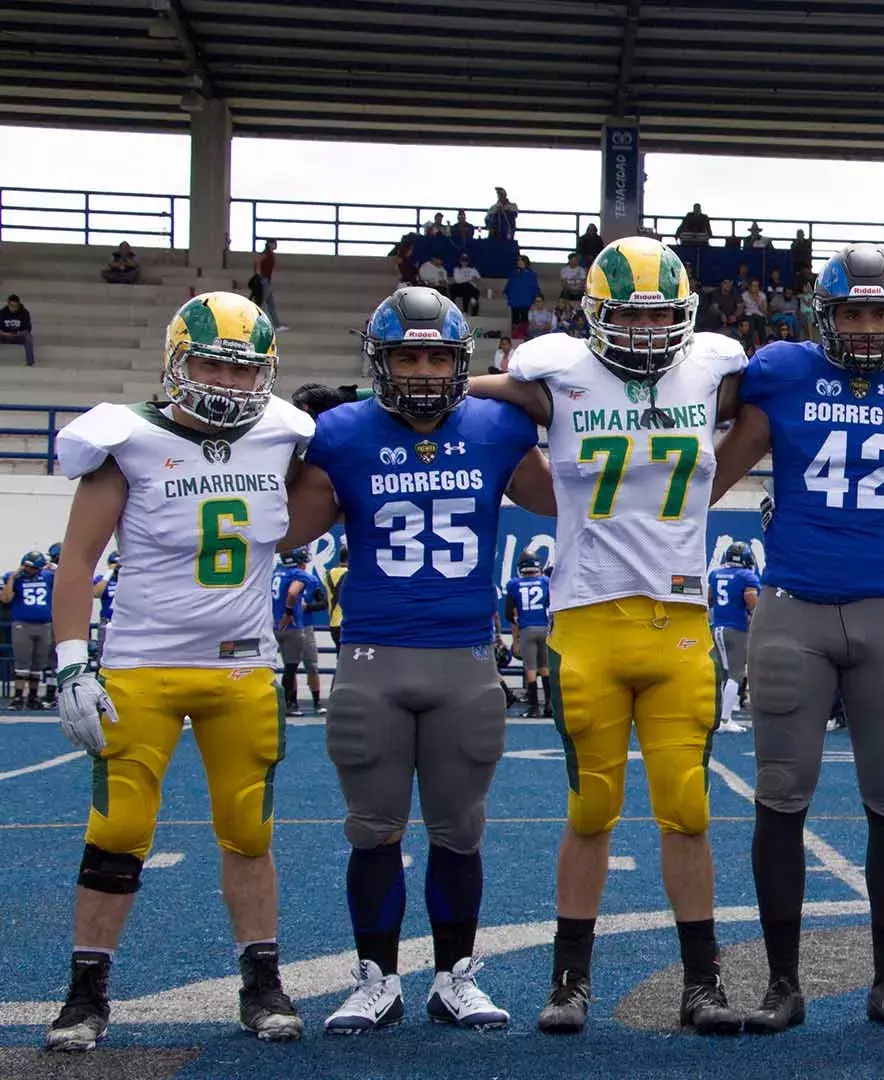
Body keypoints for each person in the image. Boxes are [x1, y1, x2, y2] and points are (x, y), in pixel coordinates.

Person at [467, 236, 747, 1036]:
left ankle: (702, 983)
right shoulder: (559, 371)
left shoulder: (712, 369)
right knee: (592, 808)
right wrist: (443, 380)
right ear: (596, 315)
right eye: (630, 314)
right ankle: (569, 981)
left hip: (681, 621)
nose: (649, 329)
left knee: (687, 810)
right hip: (587, 618)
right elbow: (479, 391)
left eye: (662, 313)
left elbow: (776, 402)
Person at [706, 243, 884, 1034]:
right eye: (850, 311)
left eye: (880, 311)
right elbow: (722, 464)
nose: (864, 326)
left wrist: (883, 533)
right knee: (782, 798)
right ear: (824, 314)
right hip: (793, 609)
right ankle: (784, 982)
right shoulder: (783, 371)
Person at [44, 291, 310, 1050]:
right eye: (209, 365)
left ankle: (262, 985)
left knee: (247, 831)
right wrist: (71, 665)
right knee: (119, 828)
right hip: (141, 666)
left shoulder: (285, 434)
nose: (227, 383)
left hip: (242, 670)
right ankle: (86, 993)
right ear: (175, 360)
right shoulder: (123, 438)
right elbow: (77, 565)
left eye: (242, 369)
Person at [282, 285, 550, 1034]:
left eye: (438, 355)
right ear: (381, 360)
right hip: (373, 657)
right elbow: (284, 529)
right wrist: (282, 447)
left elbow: (566, 499)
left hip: (463, 658)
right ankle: (376, 979)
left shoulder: (498, 426)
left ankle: (453, 978)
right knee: (374, 829)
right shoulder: (337, 432)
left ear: (461, 361)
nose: (425, 370)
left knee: (459, 830)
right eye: (409, 354)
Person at [706, 541, 758, 734]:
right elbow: (752, 603)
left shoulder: (716, 574)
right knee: (735, 673)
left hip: (717, 627)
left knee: (726, 673)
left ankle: (722, 714)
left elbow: (709, 600)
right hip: (736, 628)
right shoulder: (747, 576)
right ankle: (724, 719)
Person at [270, 549, 324, 717]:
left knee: (290, 667)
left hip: (276, 626)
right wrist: (288, 612)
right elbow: (293, 592)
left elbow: (322, 601)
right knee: (291, 668)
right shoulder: (299, 576)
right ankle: (288, 704)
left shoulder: (276, 573)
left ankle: (289, 703)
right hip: (292, 625)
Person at [4, 551, 55, 708]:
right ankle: (18, 697)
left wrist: (56, 568)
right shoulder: (13, 577)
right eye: (26, 566)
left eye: (32, 567)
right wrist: (13, 578)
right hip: (22, 624)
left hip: (44, 624)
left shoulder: (48, 576)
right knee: (22, 662)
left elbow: (69, 582)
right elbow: (5, 598)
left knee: (38, 664)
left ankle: (33, 697)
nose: (29, 570)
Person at [506, 553, 555, 719]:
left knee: (531, 670)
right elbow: (553, 605)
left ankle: (534, 708)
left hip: (527, 629)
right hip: (544, 628)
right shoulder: (545, 582)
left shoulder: (514, 584)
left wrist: (519, 622)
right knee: (545, 668)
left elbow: (508, 613)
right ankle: (549, 705)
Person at [253, 240, 286, 331]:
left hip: (266, 280)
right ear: (270, 244)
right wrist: (259, 274)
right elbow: (258, 262)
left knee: (271, 304)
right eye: (275, 243)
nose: (276, 245)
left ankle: (277, 325)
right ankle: (255, 324)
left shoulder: (270, 254)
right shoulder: (267, 254)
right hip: (264, 281)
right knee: (261, 304)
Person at [505, 256, 541, 334]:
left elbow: (535, 287)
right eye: (518, 261)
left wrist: (535, 297)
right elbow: (509, 286)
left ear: (526, 263)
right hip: (515, 301)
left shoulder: (531, 274)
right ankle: (515, 335)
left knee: (525, 320)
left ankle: (524, 335)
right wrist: (508, 297)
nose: (519, 262)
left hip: (526, 301)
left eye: (521, 261)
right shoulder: (513, 273)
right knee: (515, 320)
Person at [0, 294, 34, 367]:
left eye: (16, 306)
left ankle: (29, 363)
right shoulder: (3, 312)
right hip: (5, 336)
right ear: (8, 304)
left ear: (19, 304)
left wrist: (19, 333)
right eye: (11, 305)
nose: (14, 308)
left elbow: (28, 329)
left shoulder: (24, 313)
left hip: (18, 336)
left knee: (28, 336)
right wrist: (6, 334)